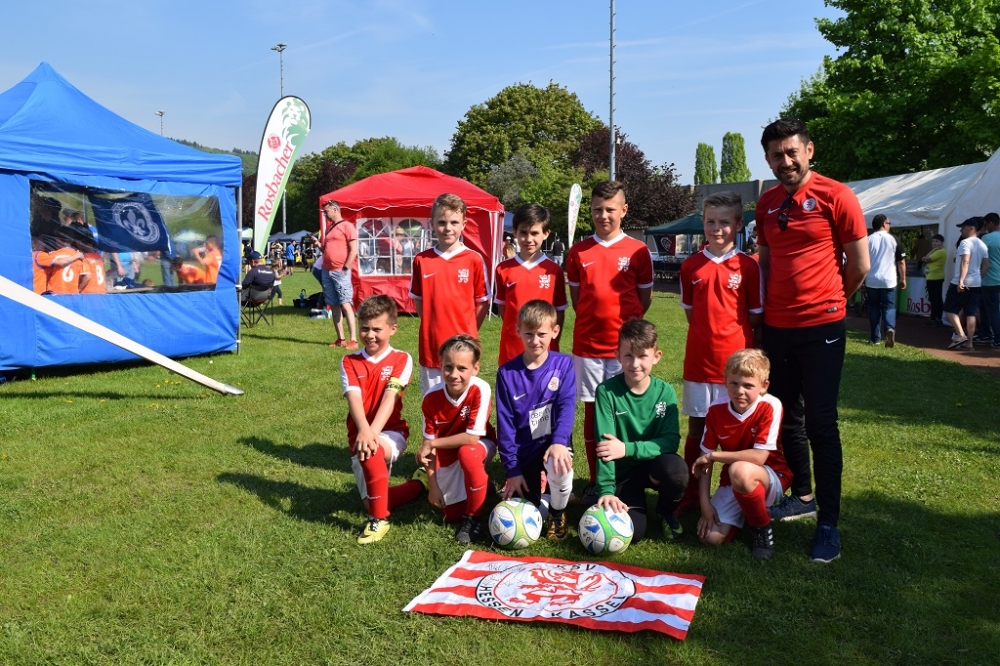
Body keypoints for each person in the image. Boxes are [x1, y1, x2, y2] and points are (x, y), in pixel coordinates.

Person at [755, 118, 869, 563]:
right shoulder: (766, 203)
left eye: (791, 152)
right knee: (787, 417)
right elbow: (765, 264)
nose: (785, 161)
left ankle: (828, 523)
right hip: (777, 329)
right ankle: (802, 496)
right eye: (776, 155)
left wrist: (832, 301)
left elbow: (859, 264)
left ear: (809, 150)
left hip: (822, 328)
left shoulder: (837, 195)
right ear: (768, 159)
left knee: (822, 423)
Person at [566, 181, 654, 503]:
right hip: (589, 346)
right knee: (593, 414)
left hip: (626, 351)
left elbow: (643, 299)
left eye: (610, 209)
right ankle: (595, 479)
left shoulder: (638, 251)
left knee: (625, 412)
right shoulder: (578, 252)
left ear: (624, 210)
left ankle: (626, 480)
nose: (603, 215)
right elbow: (578, 300)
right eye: (597, 210)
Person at [676, 191, 763, 515]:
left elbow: (754, 315)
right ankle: (690, 495)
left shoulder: (748, 267)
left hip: (737, 368)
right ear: (703, 223)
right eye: (710, 221)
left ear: (738, 224)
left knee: (737, 433)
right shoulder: (691, 266)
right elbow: (691, 313)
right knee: (697, 430)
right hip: (699, 363)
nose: (716, 228)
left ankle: (733, 494)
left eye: (724, 222)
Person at [593, 318, 687, 543]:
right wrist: (606, 491)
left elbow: (670, 441)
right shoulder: (606, 392)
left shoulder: (665, 392)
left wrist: (627, 448)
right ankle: (620, 494)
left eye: (642, 356)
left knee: (677, 472)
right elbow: (605, 446)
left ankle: (665, 511)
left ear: (656, 356)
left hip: (653, 466)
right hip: (623, 472)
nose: (635, 364)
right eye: (628, 356)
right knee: (634, 532)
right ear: (618, 356)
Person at [692, 349, 792, 560]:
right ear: (725, 382)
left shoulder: (770, 405)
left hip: (772, 476)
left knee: (741, 470)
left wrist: (714, 456)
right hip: (734, 480)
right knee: (709, 538)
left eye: (748, 385)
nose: (740, 391)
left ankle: (761, 528)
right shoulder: (716, 409)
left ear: (763, 386)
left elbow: (759, 458)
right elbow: (703, 460)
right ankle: (747, 512)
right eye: (734, 383)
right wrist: (705, 505)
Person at [342, 295, 424, 544]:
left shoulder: (402, 359)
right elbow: (354, 399)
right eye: (364, 328)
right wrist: (365, 432)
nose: (370, 335)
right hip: (359, 435)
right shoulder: (349, 361)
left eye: (377, 329)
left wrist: (372, 434)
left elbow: (390, 398)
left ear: (392, 329)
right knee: (371, 501)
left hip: (391, 433)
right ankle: (420, 485)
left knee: (372, 452)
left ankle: (379, 520)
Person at [495, 300, 577, 541]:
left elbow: (566, 406)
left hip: (553, 442)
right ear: (518, 331)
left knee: (558, 462)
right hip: (525, 448)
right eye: (528, 334)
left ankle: (558, 512)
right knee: (526, 509)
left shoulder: (564, 364)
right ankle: (543, 495)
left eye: (542, 334)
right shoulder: (506, 374)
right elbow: (505, 425)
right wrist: (512, 469)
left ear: (555, 331)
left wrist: (560, 441)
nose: (535, 341)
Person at [416, 335, 495, 544]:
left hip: (480, 446)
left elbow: (472, 438)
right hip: (447, 455)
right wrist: (433, 486)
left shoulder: (480, 388)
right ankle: (483, 485)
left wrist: (432, 443)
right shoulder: (431, 398)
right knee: (451, 515)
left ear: (475, 368)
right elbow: (427, 449)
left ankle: (473, 518)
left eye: (462, 368)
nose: (454, 375)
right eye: (448, 367)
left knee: (467, 454)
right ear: (440, 365)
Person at [408, 193, 490, 395]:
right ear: (432, 224)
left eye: (454, 222)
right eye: (442, 222)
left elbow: (482, 302)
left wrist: (469, 333)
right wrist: (432, 325)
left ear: (464, 224)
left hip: (464, 349)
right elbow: (420, 302)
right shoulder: (421, 260)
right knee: (433, 403)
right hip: (431, 348)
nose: (448, 228)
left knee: (463, 404)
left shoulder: (474, 259)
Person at [493, 203, 568, 366]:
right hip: (512, 350)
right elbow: (505, 310)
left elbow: (559, 312)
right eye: (523, 233)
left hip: (545, 351)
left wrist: (551, 340)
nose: (528, 239)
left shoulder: (553, 271)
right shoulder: (503, 269)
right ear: (514, 232)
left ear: (546, 233)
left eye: (534, 233)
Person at [943, 217, 989, 351]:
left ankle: (960, 335)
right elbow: (986, 265)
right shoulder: (982, 244)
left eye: (963, 228)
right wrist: (979, 278)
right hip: (976, 283)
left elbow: (965, 261)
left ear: (971, 228)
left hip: (962, 281)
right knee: (971, 313)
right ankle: (969, 343)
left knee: (949, 309)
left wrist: (961, 280)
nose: (961, 230)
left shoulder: (965, 243)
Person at [320, 200, 359, 350]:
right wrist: (319, 246)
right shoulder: (329, 229)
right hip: (327, 271)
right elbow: (326, 249)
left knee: (345, 304)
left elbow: (354, 250)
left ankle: (353, 340)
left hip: (340, 271)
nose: (325, 214)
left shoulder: (347, 226)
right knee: (334, 305)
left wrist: (346, 268)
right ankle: (341, 339)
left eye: (327, 211)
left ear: (335, 209)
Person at [864, 214, 907, 347]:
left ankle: (875, 338)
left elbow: (862, 262)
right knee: (889, 307)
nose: (889, 225)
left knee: (873, 308)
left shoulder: (868, 240)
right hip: (889, 280)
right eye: (889, 223)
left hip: (872, 280)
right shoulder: (894, 239)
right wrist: (903, 278)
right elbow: (901, 262)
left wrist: (861, 281)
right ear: (884, 224)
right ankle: (889, 328)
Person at [980, 213, 1000, 349]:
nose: (985, 228)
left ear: (991, 223)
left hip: (990, 280)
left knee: (992, 310)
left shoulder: (986, 238)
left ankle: (996, 338)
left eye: (986, 225)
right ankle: (987, 334)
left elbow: (979, 258)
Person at [921, 234, 947, 326]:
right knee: (937, 298)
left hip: (934, 278)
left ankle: (934, 318)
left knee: (934, 299)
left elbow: (926, 259)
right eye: (933, 241)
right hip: (934, 277)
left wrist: (933, 250)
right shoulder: (939, 251)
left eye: (937, 241)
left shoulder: (940, 252)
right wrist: (933, 250)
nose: (935, 243)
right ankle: (937, 318)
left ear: (942, 242)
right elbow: (924, 258)